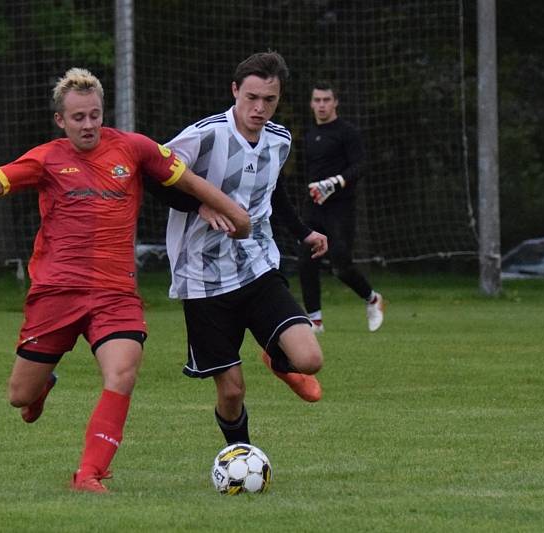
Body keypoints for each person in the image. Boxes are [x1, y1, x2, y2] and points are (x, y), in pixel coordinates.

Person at [0, 68, 250, 493]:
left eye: (95, 115)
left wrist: (238, 215)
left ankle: (89, 474)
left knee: (123, 372)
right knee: (19, 396)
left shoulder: (134, 148)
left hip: (115, 294)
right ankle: (40, 388)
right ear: (60, 120)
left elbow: (191, 182)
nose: (88, 125)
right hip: (56, 293)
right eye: (78, 118)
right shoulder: (46, 159)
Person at [162, 52, 329, 447]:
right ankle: (240, 454)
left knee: (309, 360)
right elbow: (156, 175)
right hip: (202, 280)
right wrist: (199, 203)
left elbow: (275, 192)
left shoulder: (280, 139)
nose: (259, 108)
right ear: (234, 90)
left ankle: (276, 355)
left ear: (279, 98)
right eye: (251, 97)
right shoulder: (205, 135)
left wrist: (304, 232)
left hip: (256, 265)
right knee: (232, 391)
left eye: (268, 100)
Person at [298, 81, 384, 333]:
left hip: (340, 209)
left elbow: (360, 166)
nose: (321, 105)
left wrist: (334, 183)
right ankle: (315, 321)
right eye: (317, 100)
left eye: (326, 100)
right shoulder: (309, 134)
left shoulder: (348, 132)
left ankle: (372, 299)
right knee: (305, 261)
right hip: (313, 208)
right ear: (311, 103)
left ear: (335, 102)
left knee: (341, 265)